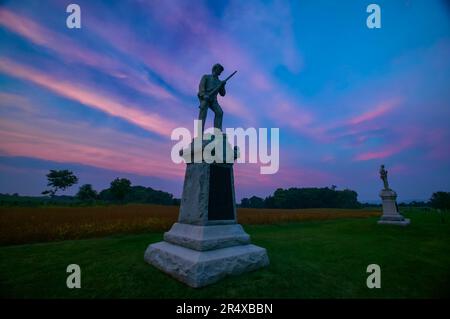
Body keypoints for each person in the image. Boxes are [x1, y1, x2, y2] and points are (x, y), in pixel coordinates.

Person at [197, 63, 226, 134]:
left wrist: (222, 86)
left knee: (219, 112)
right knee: (203, 115)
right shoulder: (206, 77)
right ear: (215, 69)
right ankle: (200, 133)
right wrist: (203, 95)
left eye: (221, 71)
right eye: (219, 70)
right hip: (205, 98)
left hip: (213, 100)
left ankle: (217, 132)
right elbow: (201, 87)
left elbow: (223, 94)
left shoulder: (219, 82)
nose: (220, 72)